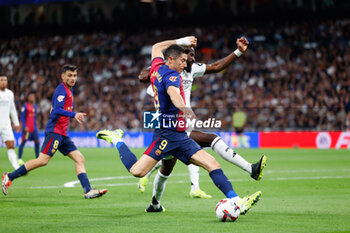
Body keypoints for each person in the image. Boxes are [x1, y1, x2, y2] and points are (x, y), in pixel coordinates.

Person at [97, 42, 261, 214]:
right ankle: (116, 139)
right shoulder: (173, 76)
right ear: (170, 59)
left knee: (211, 163)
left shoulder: (157, 67)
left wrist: (182, 40)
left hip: (180, 135)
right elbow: (174, 94)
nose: (185, 64)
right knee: (137, 171)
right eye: (182, 61)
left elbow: (155, 47)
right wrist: (186, 110)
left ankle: (236, 200)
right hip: (165, 136)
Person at [137, 36, 267, 205]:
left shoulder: (192, 69)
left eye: (191, 56)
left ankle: (155, 202)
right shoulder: (165, 70)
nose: (192, 58)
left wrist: (238, 52)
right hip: (172, 125)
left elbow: (217, 66)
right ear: (175, 58)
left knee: (166, 169)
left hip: (182, 124)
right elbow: (144, 76)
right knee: (212, 140)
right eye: (189, 56)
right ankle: (250, 170)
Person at [2, 65, 107, 199]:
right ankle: (9, 176)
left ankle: (88, 191)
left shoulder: (70, 90)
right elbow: (56, 110)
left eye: (74, 75)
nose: (73, 78)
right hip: (55, 132)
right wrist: (73, 114)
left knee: (79, 158)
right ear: (62, 76)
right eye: (69, 75)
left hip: (63, 134)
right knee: (42, 160)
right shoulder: (61, 90)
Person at [0, 75, 20, 170]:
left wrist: (16, 123)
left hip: (6, 124)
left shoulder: (10, 94)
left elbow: (12, 109)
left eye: (5, 80)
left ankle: (17, 168)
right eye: (1, 80)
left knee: (11, 145)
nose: (3, 82)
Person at [18, 92, 40, 165]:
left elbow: (34, 117)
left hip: (34, 128)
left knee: (37, 142)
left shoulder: (35, 106)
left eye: (34, 96)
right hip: (27, 128)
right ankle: (19, 158)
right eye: (31, 96)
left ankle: (37, 158)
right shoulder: (25, 106)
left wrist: (36, 125)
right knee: (23, 142)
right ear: (28, 98)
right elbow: (22, 117)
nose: (33, 98)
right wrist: (24, 126)